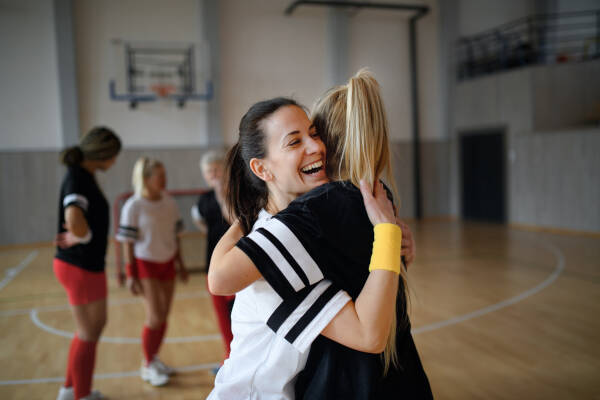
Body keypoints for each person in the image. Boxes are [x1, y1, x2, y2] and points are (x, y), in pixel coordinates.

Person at [210, 69, 431, 399]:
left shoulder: (304, 224)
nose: (316, 146)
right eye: (295, 141)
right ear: (262, 168)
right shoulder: (284, 240)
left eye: (314, 133)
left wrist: (393, 242)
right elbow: (218, 280)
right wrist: (387, 235)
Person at [54, 126, 121, 400]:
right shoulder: (77, 179)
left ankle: (70, 390)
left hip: (85, 265)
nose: (114, 162)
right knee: (88, 332)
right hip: (79, 266)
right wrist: (85, 235)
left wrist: (84, 235)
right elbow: (74, 219)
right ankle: (81, 395)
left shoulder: (83, 176)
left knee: (89, 329)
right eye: (113, 156)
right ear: (103, 154)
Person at [116, 157, 188, 386]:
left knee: (163, 316)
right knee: (155, 317)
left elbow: (175, 237)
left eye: (165, 174)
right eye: (160, 176)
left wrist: (181, 264)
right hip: (145, 264)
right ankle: (147, 365)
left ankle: (154, 359)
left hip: (167, 263)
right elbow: (127, 242)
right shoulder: (133, 206)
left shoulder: (169, 203)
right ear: (146, 179)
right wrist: (130, 274)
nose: (164, 179)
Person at [191, 151, 235, 361]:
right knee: (221, 316)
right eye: (209, 172)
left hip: (236, 262)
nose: (214, 174)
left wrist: (222, 194)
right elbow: (201, 223)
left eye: (217, 169)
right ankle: (228, 355)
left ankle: (238, 355)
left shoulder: (235, 193)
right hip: (213, 263)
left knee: (237, 313)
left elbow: (233, 219)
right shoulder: (204, 199)